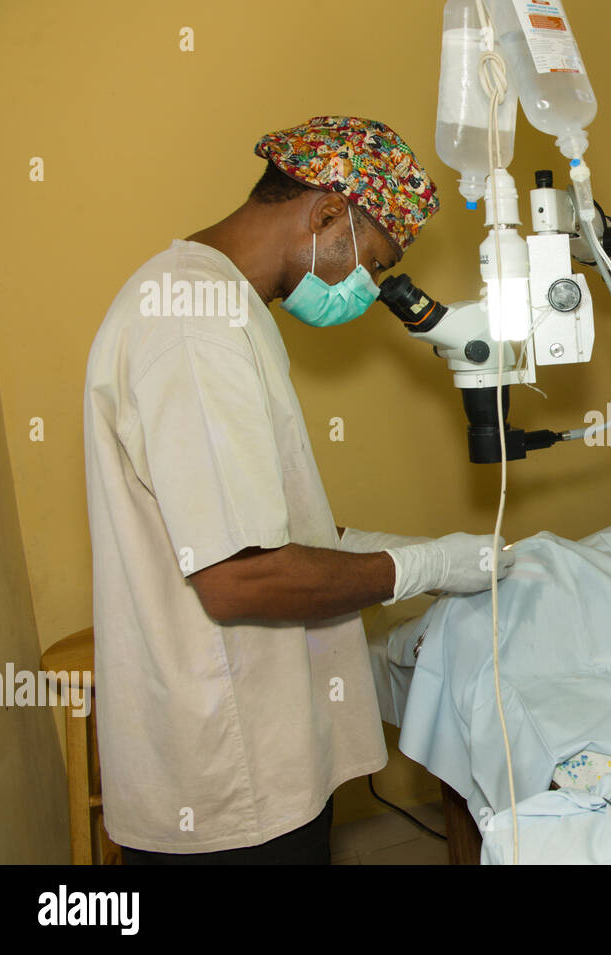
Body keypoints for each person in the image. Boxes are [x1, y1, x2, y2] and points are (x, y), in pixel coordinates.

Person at [83, 115, 513, 863]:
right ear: (323, 213)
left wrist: (437, 554)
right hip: (226, 783)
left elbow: (273, 530)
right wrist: (427, 569)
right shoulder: (197, 328)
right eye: (370, 262)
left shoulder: (212, 304)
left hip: (240, 756)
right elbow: (239, 576)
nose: (365, 288)